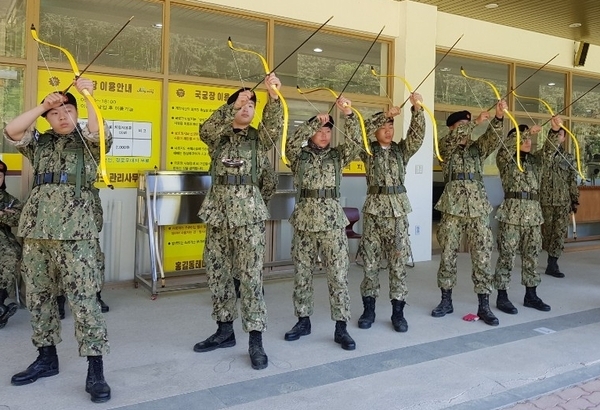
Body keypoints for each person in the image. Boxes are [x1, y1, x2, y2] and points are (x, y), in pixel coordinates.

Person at [3, 78, 112, 403]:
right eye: (55, 112)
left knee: (84, 302)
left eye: (68, 110)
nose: (62, 116)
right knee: (39, 299)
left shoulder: (88, 142)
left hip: (76, 234)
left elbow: (99, 130)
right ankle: (46, 357)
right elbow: (12, 130)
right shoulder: (42, 143)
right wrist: (41, 106)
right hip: (37, 232)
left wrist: (87, 96)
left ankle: (95, 370)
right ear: (48, 118)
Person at [193, 74, 283, 371]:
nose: (247, 106)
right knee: (217, 274)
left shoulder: (259, 137)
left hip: (249, 216)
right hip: (217, 213)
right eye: (242, 102)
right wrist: (230, 107)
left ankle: (255, 339)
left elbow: (275, 127)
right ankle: (224, 330)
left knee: (251, 278)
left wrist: (271, 97)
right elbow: (204, 129)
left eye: (251, 103)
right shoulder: (218, 135)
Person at [283, 96, 361, 350]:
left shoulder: (338, 156)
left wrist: (348, 114)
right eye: (319, 131)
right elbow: (289, 145)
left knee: (338, 276)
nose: (324, 135)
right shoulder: (299, 157)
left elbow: (356, 143)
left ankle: (341, 327)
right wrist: (311, 123)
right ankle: (303, 320)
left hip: (331, 223)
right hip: (305, 222)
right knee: (302, 275)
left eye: (327, 131)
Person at [432, 100, 507, 326]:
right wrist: (474, 122)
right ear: (453, 128)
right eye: (461, 125)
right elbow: (454, 139)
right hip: (452, 206)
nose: (466, 129)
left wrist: (499, 117)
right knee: (447, 254)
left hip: (477, 207)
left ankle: (484, 305)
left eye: (467, 125)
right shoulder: (445, 145)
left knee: (483, 255)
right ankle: (446, 301)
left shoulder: (476, 149)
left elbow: (493, 138)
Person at [356, 93, 425, 332]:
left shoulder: (400, 151)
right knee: (371, 263)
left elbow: (417, 137)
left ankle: (398, 312)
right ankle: (369, 309)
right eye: (383, 126)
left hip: (397, 214)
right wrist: (384, 114)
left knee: (398, 263)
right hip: (374, 212)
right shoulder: (367, 149)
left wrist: (417, 110)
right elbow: (361, 131)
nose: (387, 130)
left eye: (390, 126)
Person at [493, 118, 564, 314]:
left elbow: (549, 150)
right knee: (506, 257)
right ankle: (502, 296)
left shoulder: (536, 161)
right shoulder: (506, 159)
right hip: (511, 215)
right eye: (523, 138)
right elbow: (504, 147)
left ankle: (531, 295)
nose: (528, 141)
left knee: (532, 256)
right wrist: (525, 132)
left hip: (533, 215)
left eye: (529, 138)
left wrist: (554, 131)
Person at [56, 186, 109, 320]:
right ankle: (59, 299)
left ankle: (95, 296)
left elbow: (98, 221)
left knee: (96, 258)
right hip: (60, 235)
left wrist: (83, 229)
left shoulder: (91, 191)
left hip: (85, 235)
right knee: (56, 259)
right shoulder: (55, 187)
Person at [539, 125, 580, 278]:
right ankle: (543, 255)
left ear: (563, 138)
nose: (558, 138)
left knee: (559, 233)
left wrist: (574, 199)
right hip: (545, 201)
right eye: (555, 135)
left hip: (563, 202)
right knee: (547, 232)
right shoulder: (542, 155)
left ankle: (553, 262)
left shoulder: (568, 158)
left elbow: (572, 180)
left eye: (560, 135)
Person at [0, 160, 23, 329]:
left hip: (4, 242)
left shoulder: (7, 198)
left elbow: (20, 218)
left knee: (12, 255)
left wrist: (1, 214)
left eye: (0, 175)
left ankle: (0, 304)